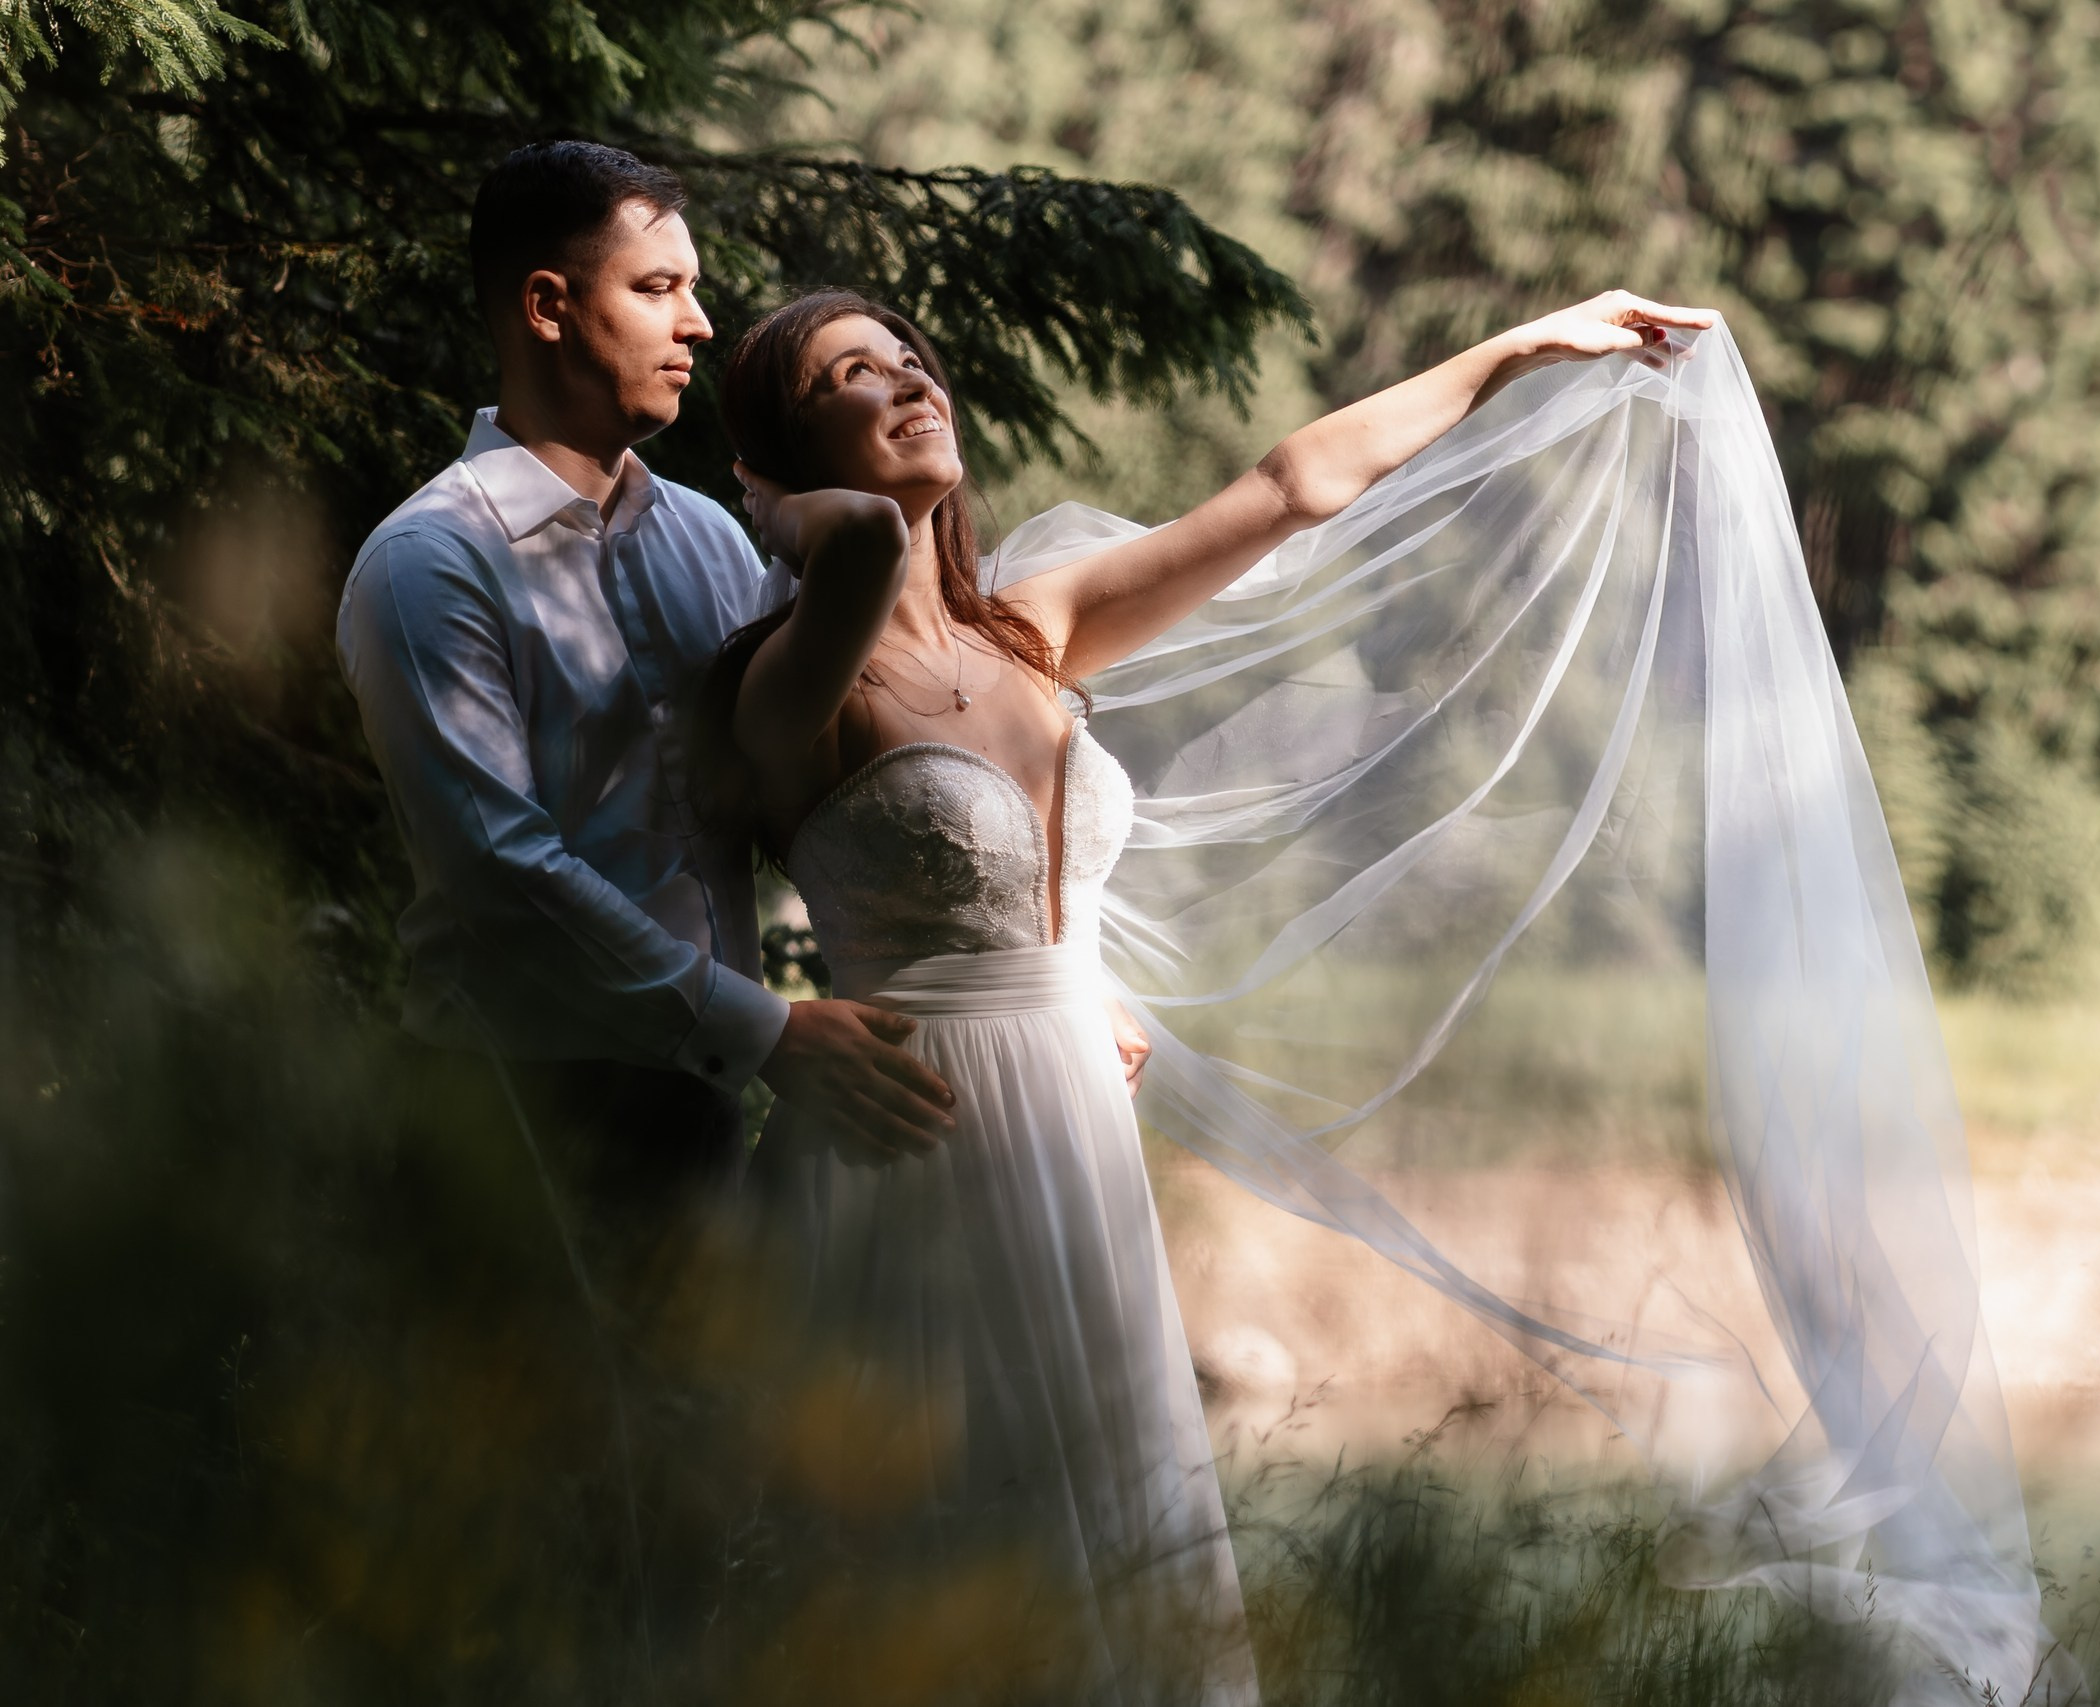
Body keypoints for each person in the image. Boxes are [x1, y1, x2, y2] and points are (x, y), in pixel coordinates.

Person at [699, 285, 1717, 1704]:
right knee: (940, 1557)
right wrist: (772, 505)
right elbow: (864, 543)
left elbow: (1288, 487)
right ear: (788, 459)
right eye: (849, 379)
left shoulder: (1030, 638)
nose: (910, 383)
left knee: (1113, 1545)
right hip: (909, 1142)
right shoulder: (791, 680)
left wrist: (1519, 346)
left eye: (915, 359)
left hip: (1072, 1134)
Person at [335, 143, 955, 1243]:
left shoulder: (714, 539)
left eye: (696, 289)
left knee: (701, 1419)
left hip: (704, 1104)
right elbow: (501, 873)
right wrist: (766, 1036)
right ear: (546, 306)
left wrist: (1018, 985)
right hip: (515, 1115)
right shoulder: (428, 564)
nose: (700, 324)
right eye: (659, 288)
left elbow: (834, 757)